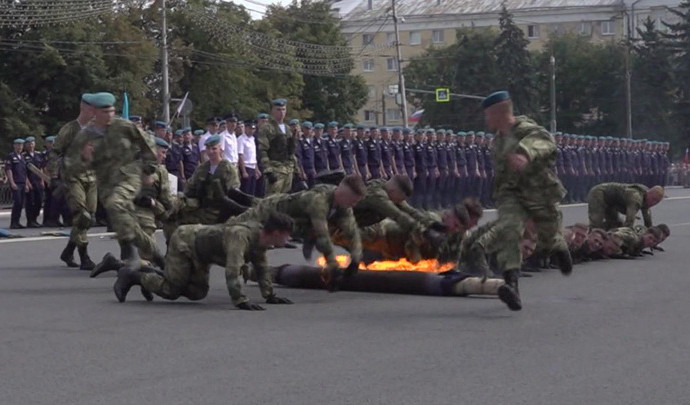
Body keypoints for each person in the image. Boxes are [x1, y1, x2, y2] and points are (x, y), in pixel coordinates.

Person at [481, 90, 572, 308]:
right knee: (509, 231)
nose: (486, 119)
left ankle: (558, 246)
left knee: (548, 236)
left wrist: (525, 154)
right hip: (511, 195)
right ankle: (511, 284)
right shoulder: (497, 141)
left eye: (488, 115)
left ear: (497, 113)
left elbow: (545, 143)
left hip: (538, 192)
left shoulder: (526, 129)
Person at [112, 211, 296, 310]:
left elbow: (262, 268)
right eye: (287, 237)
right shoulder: (241, 235)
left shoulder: (260, 241)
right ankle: (133, 275)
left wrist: (270, 296)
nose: (288, 241)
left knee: (197, 293)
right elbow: (233, 269)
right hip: (185, 241)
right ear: (276, 233)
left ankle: (156, 276)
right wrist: (240, 300)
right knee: (171, 290)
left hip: (203, 255)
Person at [64, 92, 163, 269]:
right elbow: (72, 166)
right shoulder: (86, 135)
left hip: (129, 176)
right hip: (106, 183)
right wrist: (85, 159)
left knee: (116, 204)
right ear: (94, 112)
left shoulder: (124, 126)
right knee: (123, 219)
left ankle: (130, 253)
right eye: (104, 112)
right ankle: (154, 253)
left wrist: (149, 170)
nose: (109, 116)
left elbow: (148, 143)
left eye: (111, 111)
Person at [234, 174, 367, 290]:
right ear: (343, 194)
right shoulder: (319, 200)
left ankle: (253, 272)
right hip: (269, 209)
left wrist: (356, 258)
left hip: (294, 224)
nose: (354, 204)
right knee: (233, 230)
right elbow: (323, 235)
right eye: (354, 200)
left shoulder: (344, 206)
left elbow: (352, 231)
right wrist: (333, 265)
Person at [52, 93, 98, 269]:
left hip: (92, 178)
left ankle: (68, 250)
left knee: (90, 218)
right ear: (83, 108)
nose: (95, 113)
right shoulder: (70, 129)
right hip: (73, 177)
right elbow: (55, 152)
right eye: (92, 109)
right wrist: (55, 175)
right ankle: (84, 257)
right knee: (82, 216)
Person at [132, 137, 174, 260]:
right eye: (163, 152)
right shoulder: (159, 170)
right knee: (149, 252)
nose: (165, 156)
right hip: (144, 211)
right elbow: (166, 198)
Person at [257, 98, 297, 195]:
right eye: (278, 109)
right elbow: (263, 150)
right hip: (275, 169)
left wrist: (296, 168)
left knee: (285, 201)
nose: (281, 112)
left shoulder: (287, 128)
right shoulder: (267, 128)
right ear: (272, 111)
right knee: (272, 200)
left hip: (287, 169)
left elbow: (291, 151)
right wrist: (268, 170)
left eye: (283, 109)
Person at [587, 182, 664, 230]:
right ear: (649, 194)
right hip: (599, 193)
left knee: (615, 224)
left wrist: (651, 235)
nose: (653, 203)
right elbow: (629, 221)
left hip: (613, 202)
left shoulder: (646, 198)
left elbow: (647, 220)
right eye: (654, 200)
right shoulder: (636, 198)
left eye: (657, 202)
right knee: (596, 223)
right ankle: (586, 237)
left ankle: (604, 239)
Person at [22, 136, 45, 228]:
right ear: (25, 145)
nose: (30, 145)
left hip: (38, 181)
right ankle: (30, 221)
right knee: (30, 202)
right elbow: (23, 171)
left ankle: (35, 219)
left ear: (34, 144)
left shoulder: (38, 155)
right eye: (28, 144)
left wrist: (42, 180)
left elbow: (41, 169)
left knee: (39, 201)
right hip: (30, 181)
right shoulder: (23, 156)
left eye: (32, 144)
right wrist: (27, 182)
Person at [5, 138, 28, 229]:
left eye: (21, 145)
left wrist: (26, 183)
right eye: (18, 145)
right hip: (16, 182)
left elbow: (24, 172)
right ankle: (13, 222)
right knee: (17, 202)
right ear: (14, 145)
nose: (19, 147)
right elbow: (8, 170)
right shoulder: (11, 156)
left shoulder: (22, 157)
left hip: (22, 182)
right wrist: (12, 182)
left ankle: (17, 222)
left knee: (21, 203)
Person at [238, 120, 260, 195]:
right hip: (246, 167)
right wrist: (243, 171)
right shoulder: (241, 139)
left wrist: (256, 169)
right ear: (246, 128)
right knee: (245, 191)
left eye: (253, 129)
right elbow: (240, 155)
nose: (252, 130)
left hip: (253, 167)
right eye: (250, 128)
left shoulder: (252, 139)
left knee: (252, 191)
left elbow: (253, 156)